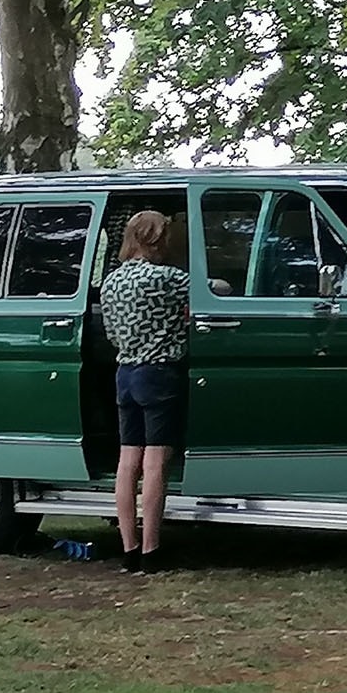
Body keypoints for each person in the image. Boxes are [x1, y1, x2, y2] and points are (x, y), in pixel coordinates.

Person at [99, 210, 191, 572]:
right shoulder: (169, 279)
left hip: (125, 373)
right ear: (156, 239)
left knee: (127, 464)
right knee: (155, 464)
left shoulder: (111, 282)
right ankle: (152, 549)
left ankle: (129, 548)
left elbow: (110, 334)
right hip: (160, 374)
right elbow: (219, 292)